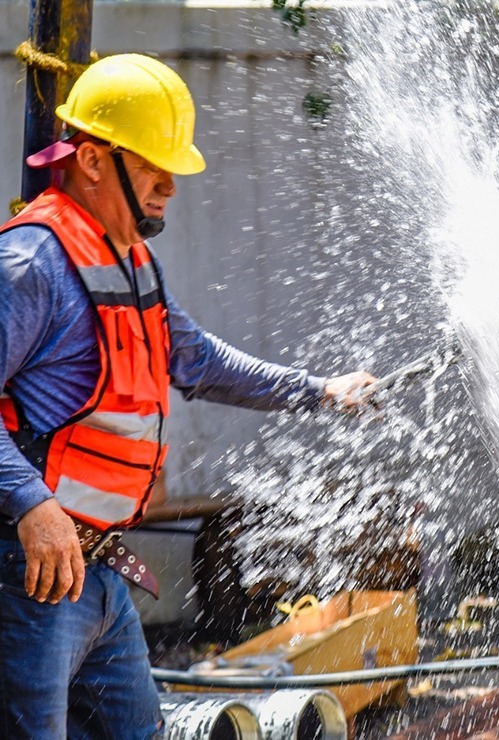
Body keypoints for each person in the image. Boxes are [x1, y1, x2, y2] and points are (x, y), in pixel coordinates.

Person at [0, 53, 377, 737]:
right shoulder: (30, 264)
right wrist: (30, 506)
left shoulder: (131, 260)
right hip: (29, 577)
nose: (169, 186)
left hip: (99, 575)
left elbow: (198, 361)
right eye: (151, 165)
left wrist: (321, 391)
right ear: (91, 160)